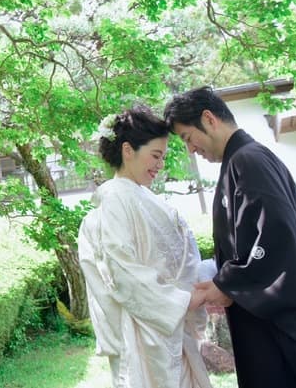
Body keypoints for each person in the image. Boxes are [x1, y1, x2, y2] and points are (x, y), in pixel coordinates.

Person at [165, 86, 296, 388]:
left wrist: (228, 283)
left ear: (209, 119)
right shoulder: (241, 161)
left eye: (187, 138)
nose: (190, 149)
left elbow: (277, 236)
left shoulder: (248, 160)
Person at [78, 106, 212, 388]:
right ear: (128, 150)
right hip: (144, 332)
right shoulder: (115, 199)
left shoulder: (141, 196)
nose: (160, 165)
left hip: (169, 324)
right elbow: (122, 272)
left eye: (162, 157)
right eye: (155, 155)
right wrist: (182, 300)